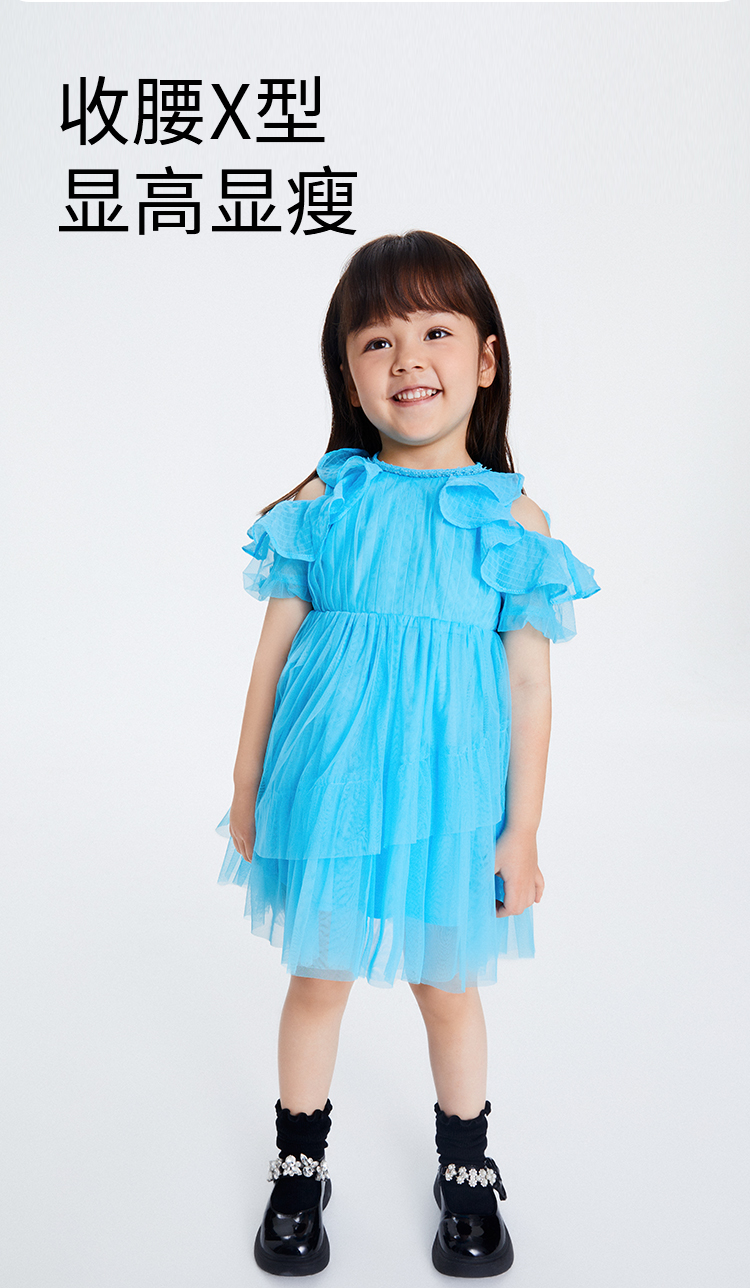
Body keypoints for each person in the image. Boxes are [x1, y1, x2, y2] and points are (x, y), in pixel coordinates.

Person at [216, 230, 599, 1278]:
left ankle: (466, 1167)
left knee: (447, 987)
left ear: (486, 358)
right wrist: (247, 785)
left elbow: (530, 687)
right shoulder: (325, 502)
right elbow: (271, 655)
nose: (408, 360)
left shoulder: (511, 520)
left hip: (448, 795)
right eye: (377, 341)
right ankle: (300, 1165)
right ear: (348, 373)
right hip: (330, 780)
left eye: (436, 332)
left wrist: (522, 830)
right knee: (318, 976)